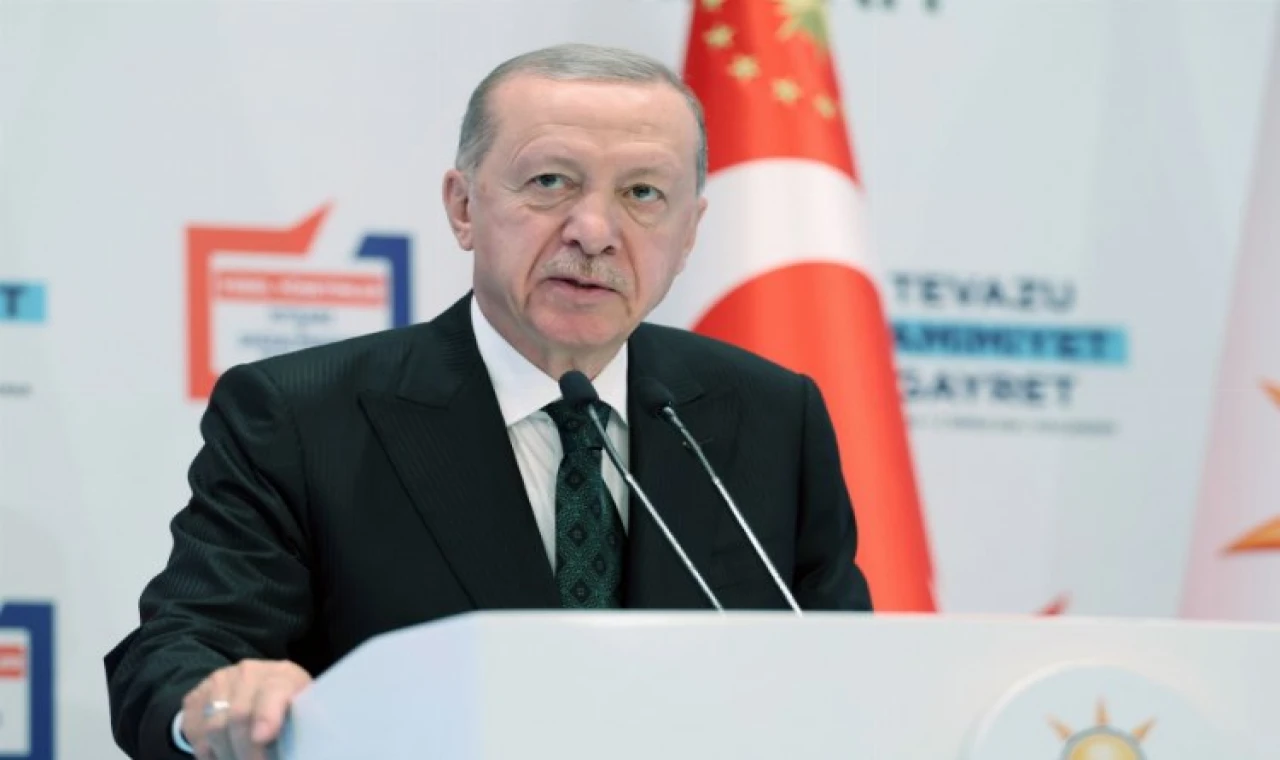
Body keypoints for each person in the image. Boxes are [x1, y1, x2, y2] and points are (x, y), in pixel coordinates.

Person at [103, 42, 872, 760]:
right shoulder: (301, 417)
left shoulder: (772, 417)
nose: (594, 232)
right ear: (464, 207)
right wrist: (220, 701)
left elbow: (849, 679)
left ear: (690, 230)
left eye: (643, 193)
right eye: (550, 183)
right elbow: (180, 650)